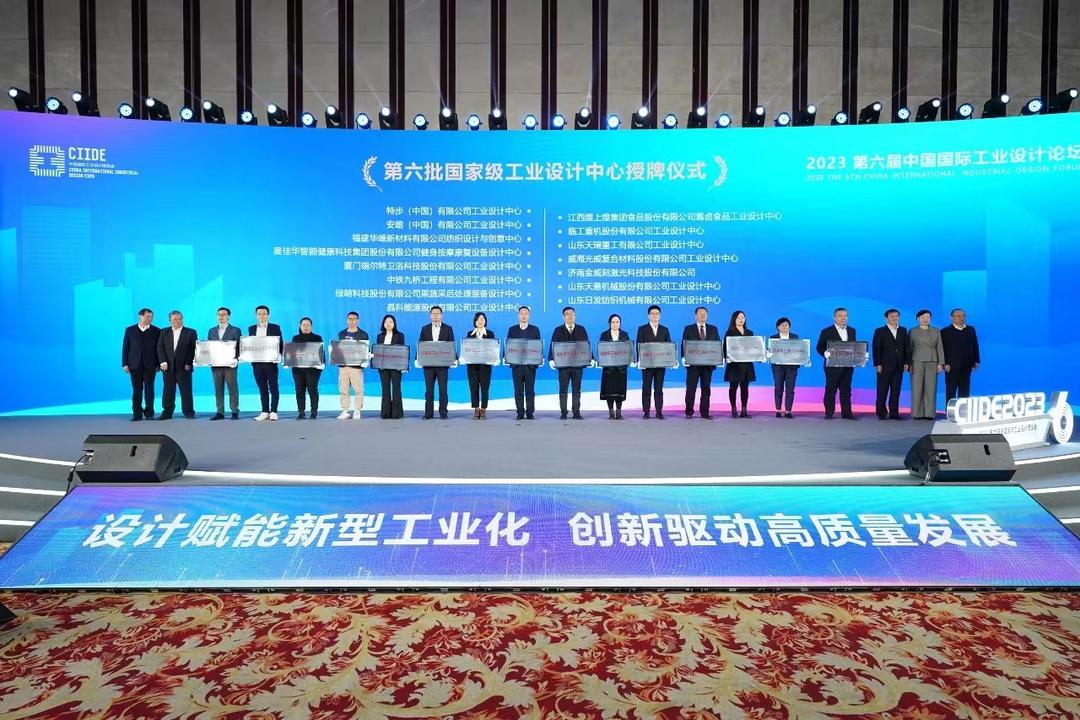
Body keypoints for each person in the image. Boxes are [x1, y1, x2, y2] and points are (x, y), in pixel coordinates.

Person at [549, 306, 591, 419]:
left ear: (575, 316)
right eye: (567, 314)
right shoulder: (558, 330)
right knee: (563, 389)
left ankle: (576, 412)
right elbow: (553, 345)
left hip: (578, 366)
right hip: (563, 366)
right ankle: (563, 412)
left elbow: (586, 345)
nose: (570, 316)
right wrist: (551, 359)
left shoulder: (581, 329)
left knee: (577, 389)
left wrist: (589, 358)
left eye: (572, 314)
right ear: (563, 317)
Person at [816, 307, 857, 420]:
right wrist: (825, 353)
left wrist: (860, 355)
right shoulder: (826, 331)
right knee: (831, 389)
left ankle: (847, 413)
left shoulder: (852, 330)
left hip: (848, 365)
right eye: (840, 316)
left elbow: (853, 347)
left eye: (845, 316)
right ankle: (829, 413)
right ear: (834, 317)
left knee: (846, 390)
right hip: (832, 366)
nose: (843, 318)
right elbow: (819, 347)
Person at [155, 310, 197, 419]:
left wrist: (188, 363)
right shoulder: (164, 332)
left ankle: (189, 412)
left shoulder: (191, 332)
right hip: (168, 367)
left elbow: (193, 349)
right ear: (170, 320)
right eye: (174, 319)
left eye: (179, 319)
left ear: (182, 319)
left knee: (186, 390)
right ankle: (167, 412)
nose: (177, 321)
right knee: (168, 390)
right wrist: (163, 362)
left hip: (184, 367)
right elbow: (160, 348)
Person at [121, 308, 160, 421]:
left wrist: (158, 364)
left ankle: (149, 413)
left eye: (151, 317)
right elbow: (126, 347)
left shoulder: (157, 331)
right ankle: (137, 414)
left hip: (150, 365)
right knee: (137, 391)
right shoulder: (130, 330)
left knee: (149, 390)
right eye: (147, 316)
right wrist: (125, 364)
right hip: (134, 365)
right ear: (140, 316)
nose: (150, 319)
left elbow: (159, 349)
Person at [682, 306, 721, 419]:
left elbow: (717, 345)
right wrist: (684, 358)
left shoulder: (713, 329)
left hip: (708, 366)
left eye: (705, 313)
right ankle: (689, 412)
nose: (703, 315)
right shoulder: (688, 329)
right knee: (691, 389)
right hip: (693, 365)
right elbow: (684, 345)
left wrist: (719, 358)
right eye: (700, 313)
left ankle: (705, 412)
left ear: (707, 315)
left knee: (706, 389)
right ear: (695, 316)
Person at [636, 304, 674, 419]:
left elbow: (669, 347)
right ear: (648, 316)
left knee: (659, 389)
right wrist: (640, 361)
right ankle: (646, 412)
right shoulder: (642, 329)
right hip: (647, 365)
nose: (654, 315)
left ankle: (659, 412)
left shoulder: (664, 330)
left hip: (660, 365)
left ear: (660, 316)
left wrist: (670, 360)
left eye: (657, 313)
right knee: (646, 388)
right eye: (652, 313)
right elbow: (639, 346)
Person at [418, 305, 455, 419]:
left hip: (442, 365)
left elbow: (451, 345)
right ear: (430, 315)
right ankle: (428, 414)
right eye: (433, 313)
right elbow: (421, 345)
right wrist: (417, 358)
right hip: (428, 365)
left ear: (441, 315)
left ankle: (443, 413)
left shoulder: (448, 328)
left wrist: (454, 358)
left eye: (437, 313)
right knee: (429, 390)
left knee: (443, 390)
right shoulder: (425, 329)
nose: (435, 315)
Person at [871, 309, 909, 420]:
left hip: (899, 365)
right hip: (884, 365)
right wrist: (877, 363)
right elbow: (876, 348)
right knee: (882, 390)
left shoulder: (903, 330)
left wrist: (906, 362)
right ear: (886, 318)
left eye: (896, 316)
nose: (894, 318)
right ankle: (881, 412)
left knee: (896, 391)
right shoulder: (880, 331)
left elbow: (906, 347)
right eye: (892, 316)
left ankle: (894, 413)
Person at [907, 309, 945, 420]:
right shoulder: (912, 331)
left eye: (927, 317)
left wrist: (941, 363)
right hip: (916, 361)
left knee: (931, 388)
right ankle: (917, 413)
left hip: (932, 361)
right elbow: (909, 348)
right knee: (916, 387)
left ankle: (929, 413)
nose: (925, 319)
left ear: (930, 318)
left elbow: (940, 347)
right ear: (918, 319)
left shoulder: (936, 331)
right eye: (922, 317)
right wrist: (908, 363)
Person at [507, 305, 542, 420]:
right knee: (518, 391)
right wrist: (506, 357)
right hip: (516, 366)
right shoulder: (512, 329)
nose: (523, 315)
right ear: (518, 315)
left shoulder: (535, 329)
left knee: (530, 391)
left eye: (526, 313)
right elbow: (509, 346)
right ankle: (520, 413)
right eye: (521, 313)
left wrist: (539, 358)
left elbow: (537, 347)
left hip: (530, 366)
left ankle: (530, 413)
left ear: (529, 316)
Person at [249, 305, 283, 421]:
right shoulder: (251, 328)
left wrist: (279, 356)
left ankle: (273, 411)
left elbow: (280, 343)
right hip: (257, 363)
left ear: (268, 315)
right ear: (256, 315)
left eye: (264, 314)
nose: (261, 316)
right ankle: (264, 411)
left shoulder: (275, 327)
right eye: (259, 314)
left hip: (271, 363)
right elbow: (249, 345)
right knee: (262, 388)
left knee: (273, 387)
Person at [207, 306, 241, 420]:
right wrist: (207, 359)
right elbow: (208, 347)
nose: (221, 317)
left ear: (228, 317)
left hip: (230, 365)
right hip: (216, 365)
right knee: (218, 389)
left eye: (224, 314)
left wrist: (236, 359)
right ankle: (220, 412)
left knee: (232, 388)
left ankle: (234, 411)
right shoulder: (211, 330)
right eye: (219, 315)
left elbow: (239, 346)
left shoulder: (235, 330)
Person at [941, 308, 980, 402]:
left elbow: (975, 345)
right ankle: (949, 410)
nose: (961, 318)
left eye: (963, 316)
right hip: (951, 367)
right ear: (951, 318)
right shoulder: (945, 331)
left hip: (967, 366)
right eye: (958, 316)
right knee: (950, 392)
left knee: (965, 392)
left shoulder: (971, 329)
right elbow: (942, 349)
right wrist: (944, 364)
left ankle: (963, 410)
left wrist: (976, 360)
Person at [723, 310, 756, 418]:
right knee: (733, 388)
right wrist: (726, 357)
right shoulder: (729, 332)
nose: (741, 319)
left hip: (747, 365)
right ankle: (733, 408)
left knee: (745, 388)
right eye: (738, 318)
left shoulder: (750, 333)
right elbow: (725, 348)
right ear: (734, 319)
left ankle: (744, 410)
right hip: (734, 365)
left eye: (743, 317)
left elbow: (753, 348)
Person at [337, 311, 368, 420]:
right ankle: (345, 410)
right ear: (347, 320)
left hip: (356, 367)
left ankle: (357, 410)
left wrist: (365, 358)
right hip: (343, 366)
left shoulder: (363, 334)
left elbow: (365, 349)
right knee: (343, 388)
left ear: (358, 320)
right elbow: (339, 349)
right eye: (350, 319)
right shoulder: (341, 334)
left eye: (354, 319)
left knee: (358, 389)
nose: (352, 321)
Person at [291, 317, 324, 419]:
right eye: (303, 325)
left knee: (312, 389)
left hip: (313, 369)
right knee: (299, 390)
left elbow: (321, 353)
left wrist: (322, 364)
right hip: (298, 370)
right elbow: (292, 353)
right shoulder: (295, 338)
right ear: (300, 326)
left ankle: (314, 411)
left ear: (311, 326)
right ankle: (301, 412)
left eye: (308, 325)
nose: (305, 327)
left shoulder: (317, 338)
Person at [599, 313, 630, 420]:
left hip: (621, 368)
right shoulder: (604, 335)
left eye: (617, 322)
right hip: (608, 368)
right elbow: (601, 350)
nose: (615, 324)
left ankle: (619, 412)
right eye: (613, 322)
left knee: (620, 390)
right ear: (609, 323)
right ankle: (611, 412)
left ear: (620, 323)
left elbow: (628, 349)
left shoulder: (625, 335)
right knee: (609, 391)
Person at [466, 312, 496, 419]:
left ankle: (483, 408)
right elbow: (467, 349)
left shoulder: (490, 334)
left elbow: (493, 348)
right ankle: (476, 408)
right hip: (472, 366)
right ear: (475, 321)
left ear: (485, 321)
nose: (480, 321)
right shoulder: (470, 334)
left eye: (482, 319)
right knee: (473, 387)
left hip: (485, 366)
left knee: (485, 387)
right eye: (478, 319)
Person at [376, 314, 406, 419]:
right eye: (386, 322)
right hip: (383, 367)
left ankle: (397, 413)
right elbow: (378, 351)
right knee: (385, 389)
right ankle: (385, 413)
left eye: (390, 321)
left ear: (394, 324)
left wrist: (403, 366)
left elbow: (402, 351)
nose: (388, 324)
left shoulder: (400, 335)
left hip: (396, 367)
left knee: (396, 389)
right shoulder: (380, 336)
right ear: (383, 324)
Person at [769, 317, 799, 419]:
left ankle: (788, 411)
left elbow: (799, 351)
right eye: (782, 325)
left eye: (786, 325)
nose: (785, 327)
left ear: (789, 326)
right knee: (778, 388)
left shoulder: (795, 337)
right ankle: (778, 410)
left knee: (790, 389)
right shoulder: (773, 338)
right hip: (778, 367)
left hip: (791, 367)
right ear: (778, 327)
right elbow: (771, 350)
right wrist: (769, 353)